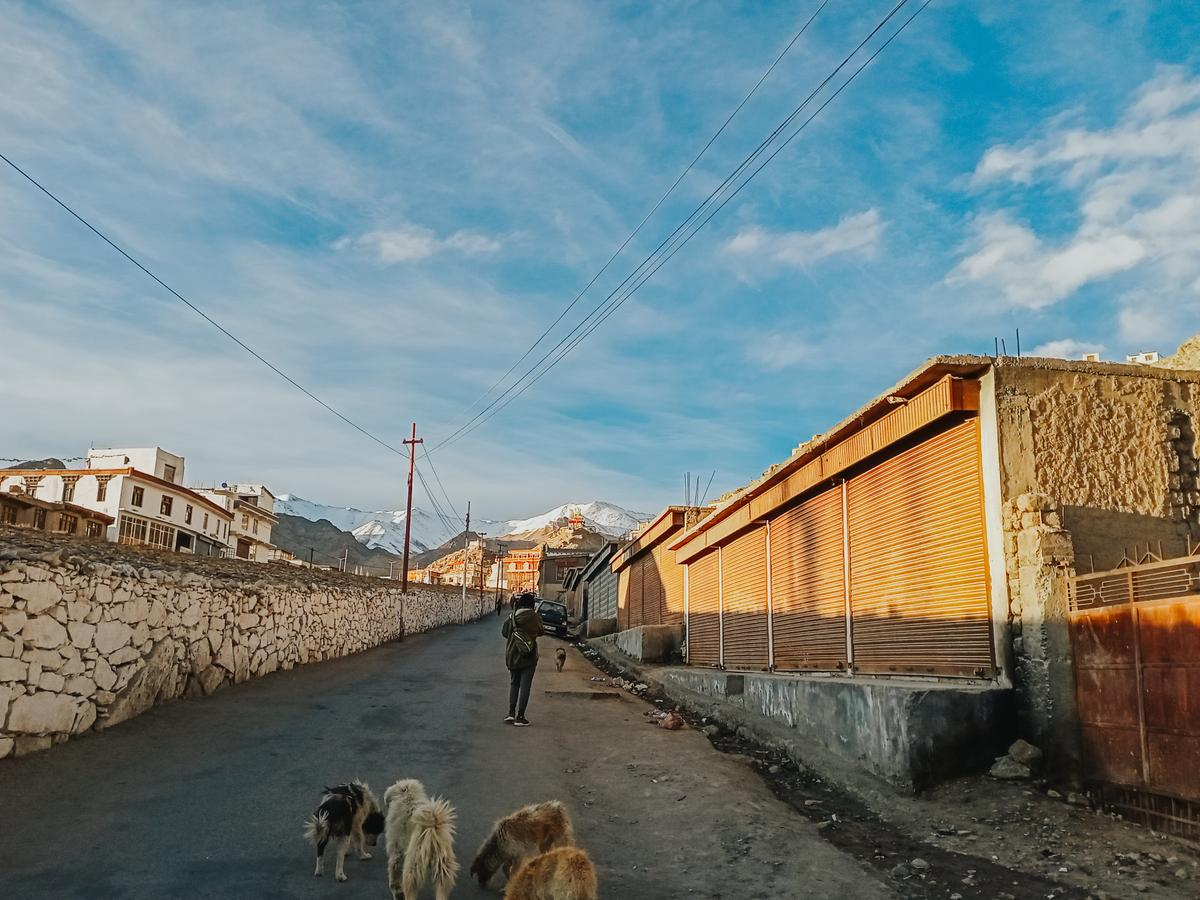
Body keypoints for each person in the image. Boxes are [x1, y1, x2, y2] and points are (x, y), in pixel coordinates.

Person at [501, 592, 543, 727]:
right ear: (532, 604)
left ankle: (510, 713)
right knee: (525, 686)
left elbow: (504, 632)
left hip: (512, 655)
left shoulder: (512, 616)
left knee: (514, 683)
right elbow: (542, 631)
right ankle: (520, 717)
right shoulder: (535, 617)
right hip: (529, 656)